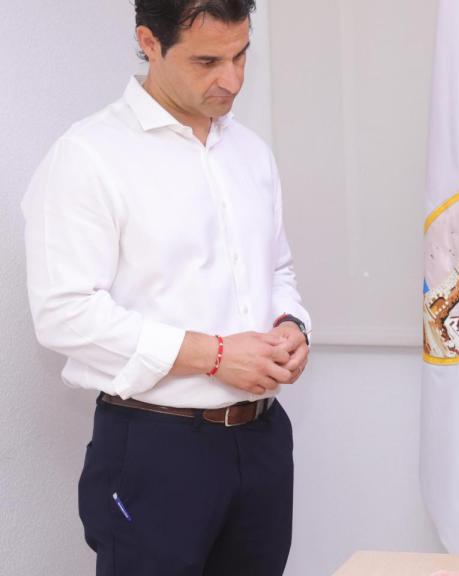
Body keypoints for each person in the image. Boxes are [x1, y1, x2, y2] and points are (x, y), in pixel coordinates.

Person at [21, 1, 309, 574]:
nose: (231, 79)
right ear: (148, 42)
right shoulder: (88, 157)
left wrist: (292, 327)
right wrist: (216, 356)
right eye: (207, 61)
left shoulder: (251, 153)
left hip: (262, 441)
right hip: (155, 447)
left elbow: (276, 269)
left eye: (241, 54)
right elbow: (62, 313)